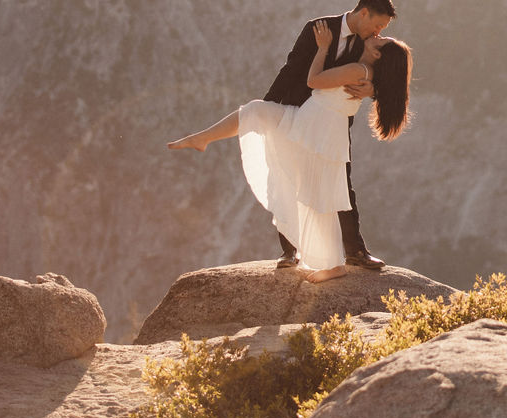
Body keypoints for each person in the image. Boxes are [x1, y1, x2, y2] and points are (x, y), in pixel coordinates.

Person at [167, 20, 413, 282]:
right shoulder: (366, 71)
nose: (380, 34)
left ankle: (334, 264)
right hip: (309, 122)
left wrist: (323, 48)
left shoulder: (357, 69)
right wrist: (374, 87)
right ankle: (203, 138)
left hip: (315, 129)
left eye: (383, 40)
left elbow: (314, 80)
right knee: (257, 112)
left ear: (377, 54)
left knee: (318, 193)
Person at [264, 0, 397, 270]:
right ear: (364, 13)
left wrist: (372, 89)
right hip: (297, 114)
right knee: (288, 178)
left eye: (382, 29)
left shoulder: (370, 43)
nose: (378, 32)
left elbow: (386, 73)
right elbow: (291, 69)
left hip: (334, 122)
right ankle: (289, 251)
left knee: (342, 184)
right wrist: (268, 108)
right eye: (378, 25)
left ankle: (355, 251)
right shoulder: (318, 29)